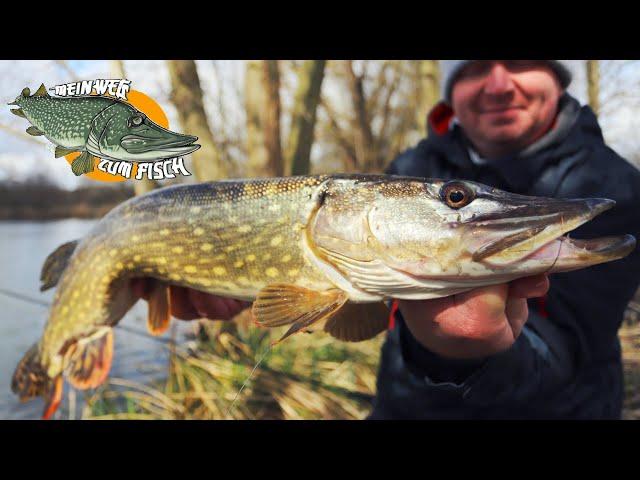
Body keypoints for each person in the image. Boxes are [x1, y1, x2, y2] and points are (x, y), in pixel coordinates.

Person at [132, 60, 640, 419]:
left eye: (523, 60)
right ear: (452, 86)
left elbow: (566, 352)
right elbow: (368, 312)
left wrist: (469, 352)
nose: (499, 83)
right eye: (475, 66)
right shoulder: (415, 167)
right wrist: (282, 290)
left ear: (558, 75)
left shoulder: (608, 187)